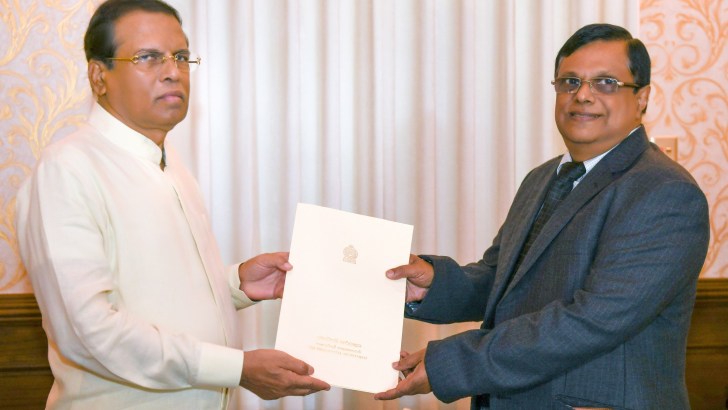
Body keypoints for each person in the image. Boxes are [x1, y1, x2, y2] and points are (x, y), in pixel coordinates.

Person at [375, 23, 710, 409]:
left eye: (605, 83)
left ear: (643, 98)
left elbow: (593, 320)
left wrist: (452, 363)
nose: (582, 95)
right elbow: (501, 281)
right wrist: (432, 284)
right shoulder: (542, 178)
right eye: (569, 81)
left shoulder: (663, 192)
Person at [15, 0, 329, 408]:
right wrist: (235, 368)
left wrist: (235, 284)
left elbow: (152, 291)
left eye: (181, 56)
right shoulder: (68, 169)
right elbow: (89, 334)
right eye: (148, 57)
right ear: (99, 75)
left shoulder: (169, 162)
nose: (172, 71)